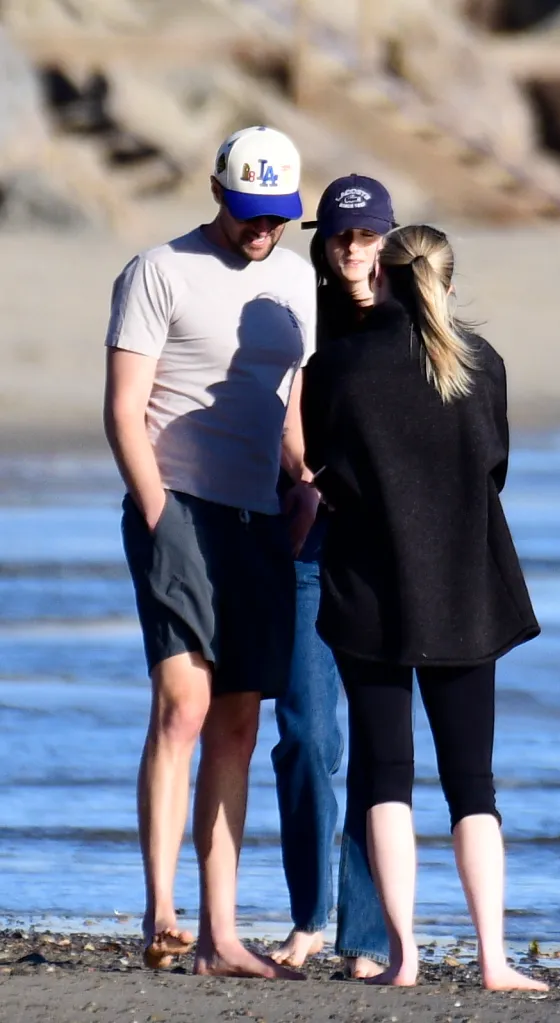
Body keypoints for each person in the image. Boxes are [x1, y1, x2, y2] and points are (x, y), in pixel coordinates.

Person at [301, 224, 550, 992]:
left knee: (388, 777)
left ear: (385, 273)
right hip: (467, 589)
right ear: (445, 279)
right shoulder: (486, 364)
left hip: (371, 589)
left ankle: (403, 957)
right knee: (473, 781)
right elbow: (494, 469)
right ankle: (494, 958)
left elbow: (323, 470)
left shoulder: (337, 364)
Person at [103, 125, 319, 979]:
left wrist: (301, 484)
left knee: (238, 718)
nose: (262, 228)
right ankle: (163, 910)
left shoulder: (296, 281)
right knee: (182, 708)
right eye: (249, 210)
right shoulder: (159, 271)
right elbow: (124, 408)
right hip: (179, 506)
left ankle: (219, 934)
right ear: (217, 193)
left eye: (277, 215)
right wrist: (158, 514)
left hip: (261, 517)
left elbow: (286, 403)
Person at [270, 176, 394, 976]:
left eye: (366, 235)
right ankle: (310, 916)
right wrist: (306, 476)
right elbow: (284, 400)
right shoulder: (300, 304)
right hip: (311, 541)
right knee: (309, 735)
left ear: (386, 237)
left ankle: (369, 934)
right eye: (339, 236)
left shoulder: (413, 317)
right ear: (323, 239)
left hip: (388, 553)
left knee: (382, 747)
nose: (351, 248)